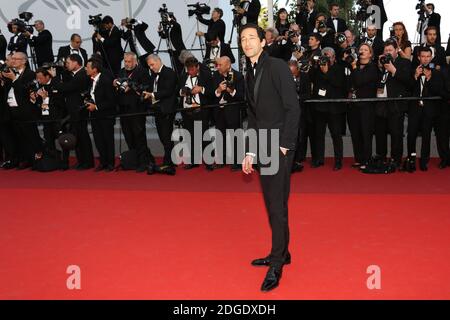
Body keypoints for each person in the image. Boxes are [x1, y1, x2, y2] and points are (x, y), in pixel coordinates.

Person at [240, 24, 299, 292]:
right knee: (273, 204)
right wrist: (250, 151)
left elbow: (293, 108)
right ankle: (282, 252)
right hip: (262, 146)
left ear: (264, 42)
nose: (247, 42)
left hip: (278, 148)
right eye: (242, 38)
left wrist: (284, 147)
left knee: (276, 206)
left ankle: (277, 262)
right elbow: (253, 116)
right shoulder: (249, 72)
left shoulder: (276, 66)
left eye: (252, 37)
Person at [52, 54, 94, 170]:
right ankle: (82, 161)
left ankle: (87, 162)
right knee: (78, 137)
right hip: (74, 111)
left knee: (82, 137)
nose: (67, 65)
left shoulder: (81, 75)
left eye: (69, 63)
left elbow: (65, 88)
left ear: (76, 63)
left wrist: (55, 77)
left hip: (79, 111)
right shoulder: (74, 75)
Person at [375, 40, 412, 167]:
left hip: (396, 103)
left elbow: (409, 81)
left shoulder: (404, 62)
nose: (388, 53)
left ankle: (396, 159)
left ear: (396, 50)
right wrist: (380, 68)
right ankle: (381, 156)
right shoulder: (381, 63)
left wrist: (394, 70)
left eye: (390, 50)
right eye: (386, 50)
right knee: (380, 132)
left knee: (396, 133)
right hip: (381, 102)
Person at [114, 52, 153, 173]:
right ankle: (134, 159)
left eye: (129, 61)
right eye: (125, 61)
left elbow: (147, 88)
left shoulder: (142, 72)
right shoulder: (121, 72)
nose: (126, 64)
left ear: (135, 61)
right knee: (128, 136)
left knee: (139, 136)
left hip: (137, 109)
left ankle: (144, 162)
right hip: (124, 109)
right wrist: (116, 84)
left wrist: (132, 87)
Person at [408, 47, 446, 171]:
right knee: (411, 135)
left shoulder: (437, 73)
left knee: (426, 136)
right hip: (414, 109)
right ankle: (411, 159)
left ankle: (424, 161)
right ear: (418, 57)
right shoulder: (412, 70)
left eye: (427, 56)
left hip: (429, 110)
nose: (425, 59)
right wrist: (415, 76)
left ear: (431, 58)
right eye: (423, 56)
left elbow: (440, 91)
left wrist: (429, 79)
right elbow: (407, 89)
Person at [311, 47, 347, 170]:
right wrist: (319, 68)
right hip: (320, 107)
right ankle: (319, 159)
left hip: (334, 108)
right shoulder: (317, 69)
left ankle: (338, 161)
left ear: (334, 58)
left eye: (329, 56)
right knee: (318, 135)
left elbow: (338, 83)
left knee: (336, 135)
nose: (327, 59)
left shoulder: (339, 69)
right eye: (324, 56)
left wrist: (326, 72)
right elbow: (313, 82)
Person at [143, 54, 178, 176]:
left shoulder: (169, 73)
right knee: (162, 136)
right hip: (157, 109)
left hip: (167, 110)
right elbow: (151, 88)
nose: (151, 67)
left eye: (152, 65)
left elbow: (168, 91)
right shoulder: (152, 74)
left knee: (166, 135)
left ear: (159, 61)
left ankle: (168, 161)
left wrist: (152, 95)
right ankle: (170, 159)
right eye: (149, 66)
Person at [178, 56, 213, 170]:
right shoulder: (183, 76)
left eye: (192, 69)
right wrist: (182, 92)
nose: (190, 72)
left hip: (200, 110)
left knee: (203, 135)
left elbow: (212, 92)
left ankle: (209, 161)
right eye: (188, 69)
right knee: (190, 136)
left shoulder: (206, 76)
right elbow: (177, 90)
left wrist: (201, 89)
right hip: (187, 111)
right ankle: (193, 161)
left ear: (197, 67)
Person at [348, 44, 379, 168]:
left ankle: (367, 159)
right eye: (360, 49)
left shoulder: (372, 68)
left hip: (367, 105)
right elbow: (351, 82)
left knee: (366, 133)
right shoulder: (353, 66)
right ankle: (358, 158)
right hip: (354, 105)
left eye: (365, 50)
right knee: (355, 133)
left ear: (370, 54)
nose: (362, 51)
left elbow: (360, 81)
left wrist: (354, 67)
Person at [211, 56, 245, 171]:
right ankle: (221, 160)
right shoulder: (216, 75)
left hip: (233, 111)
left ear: (228, 65)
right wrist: (218, 90)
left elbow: (241, 96)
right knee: (220, 136)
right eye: (217, 65)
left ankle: (237, 162)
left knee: (236, 136)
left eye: (220, 65)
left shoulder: (238, 76)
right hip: (219, 111)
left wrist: (231, 91)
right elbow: (212, 94)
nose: (218, 67)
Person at [85, 58, 117, 172]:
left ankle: (110, 163)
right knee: (98, 139)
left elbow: (111, 100)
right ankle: (103, 162)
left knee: (108, 139)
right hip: (94, 116)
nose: (86, 69)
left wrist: (96, 106)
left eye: (88, 67)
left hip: (106, 115)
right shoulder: (90, 80)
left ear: (94, 69)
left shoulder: (106, 80)